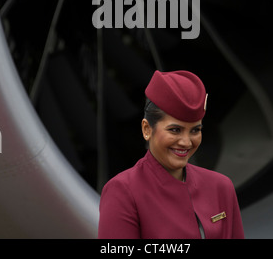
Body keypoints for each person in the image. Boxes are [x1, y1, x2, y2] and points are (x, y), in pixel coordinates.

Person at [97, 70, 244, 239]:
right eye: (175, 130)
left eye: (195, 130)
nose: (186, 142)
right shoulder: (123, 192)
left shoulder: (221, 187)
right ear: (146, 129)